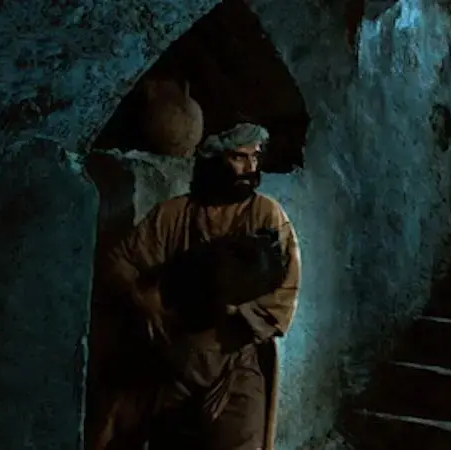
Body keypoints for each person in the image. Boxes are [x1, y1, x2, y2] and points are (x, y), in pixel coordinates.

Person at [97, 122, 301, 450]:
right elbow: (118, 262)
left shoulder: (266, 215)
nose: (250, 167)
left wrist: (227, 310)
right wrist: (143, 298)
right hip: (173, 358)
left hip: (235, 361)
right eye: (239, 157)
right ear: (214, 159)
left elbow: (285, 290)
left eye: (255, 157)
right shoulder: (174, 214)